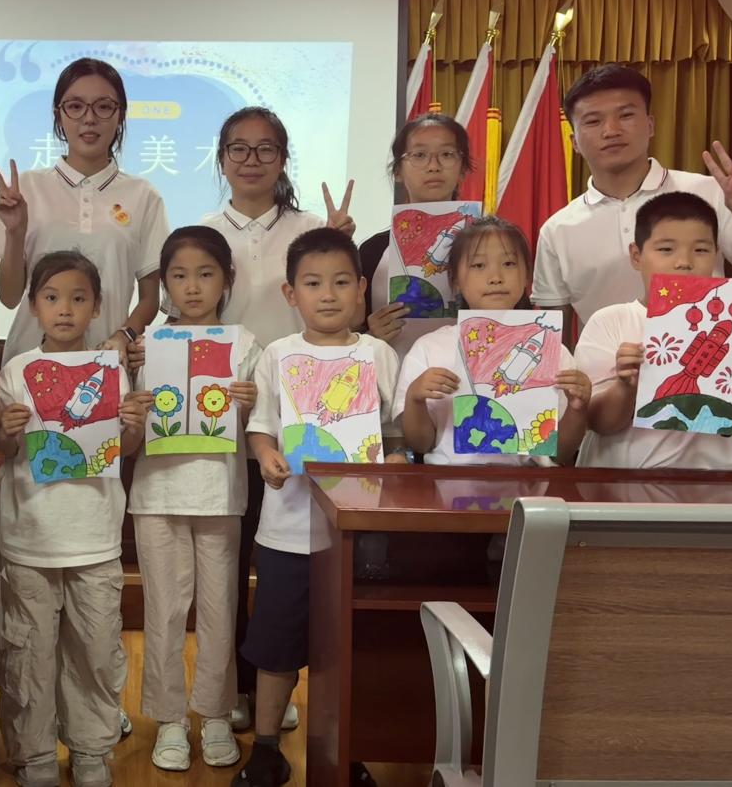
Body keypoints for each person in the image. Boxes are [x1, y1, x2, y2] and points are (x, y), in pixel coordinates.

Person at [196, 106, 354, 732]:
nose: (252, 160)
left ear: (283, 158)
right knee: (233, 563)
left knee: (299, 564)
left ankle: (285, 687)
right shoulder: (204, 232)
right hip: (223, 418)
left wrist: (340, 239)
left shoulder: (313, 229)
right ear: (221, 158)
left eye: (266, 149)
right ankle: (241, 689)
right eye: (238, 148)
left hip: (304, 425)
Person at [237, 228, 407, 787]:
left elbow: (396, 432)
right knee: (275, 644)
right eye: (313, 284)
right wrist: (265, 456)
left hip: (358, 530)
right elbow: (261, 428)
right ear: (291, 293)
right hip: (287, 530)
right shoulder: (278, 355)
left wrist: (398, 458)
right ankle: (265, 748)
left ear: (361, 288)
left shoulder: (378, 354)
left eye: (340, 282)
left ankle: (348, 750)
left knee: (352, 647)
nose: (328, 295)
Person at [0, 250, 148, 787]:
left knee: (96, 649)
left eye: (78, 299)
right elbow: (2, 451)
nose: (65, 309)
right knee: (28, 653)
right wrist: (6, 430)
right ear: (34, 306)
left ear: (97, 307)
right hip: (29, 538)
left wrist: (134, 425)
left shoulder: (111, 371)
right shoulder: (17, 370)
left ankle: (90, 750)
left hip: (95, 538)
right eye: (52, 298)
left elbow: (127, 448)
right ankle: (34, 755)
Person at [125, 227, 260, 772]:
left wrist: (248, 404)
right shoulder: (145, 346)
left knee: (220, 608)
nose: (193, 286)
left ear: (227, 279)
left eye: (206, 274)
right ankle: (170, 719)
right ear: (164, 283)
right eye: (179, 276)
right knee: (163, 609)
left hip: (220, 492)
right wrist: (133, 407)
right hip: (157, 492)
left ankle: (216, 713)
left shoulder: (245, 343)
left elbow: (259, 427)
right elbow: (125, 430)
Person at [533, 64, 732, 327]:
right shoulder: (557, 230)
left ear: (650, 125)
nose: (611, 130)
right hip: (605, 354)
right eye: (593, 121)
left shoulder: (710, 193)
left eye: (626, 115)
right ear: (574, 142)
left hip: (700, 350)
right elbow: (553, 334)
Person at [0, 58, 170, 366]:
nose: (89, 118)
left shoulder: (143, 196)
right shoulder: (27, 188)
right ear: (58, 115)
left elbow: (151, 298)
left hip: (106, 365)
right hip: (29, 367)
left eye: (104, 107)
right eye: (75, 106)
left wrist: (124, 336)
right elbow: (8, 296)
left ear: (121, 115)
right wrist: (15, 233)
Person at [576, 191, 732, 469]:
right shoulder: (611, 322)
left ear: (716, 254)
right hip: (617, 482)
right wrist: (626, 386)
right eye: (665, 249)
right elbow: (597, 422)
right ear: (636, 256)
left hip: (711, 484)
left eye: (700, 250)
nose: (684, 262)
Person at [395, 216, 591, 466]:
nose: (496, 277)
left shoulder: (554, 352)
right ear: (455, 280)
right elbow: (420, 444)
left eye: (509, 263)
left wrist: (577, 409)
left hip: (529, 482)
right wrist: (415, 397)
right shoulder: (429, 348)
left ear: (527, 276)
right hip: (448, 481)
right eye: (478, 265)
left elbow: (560, 454)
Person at [360, 113, 474, 357]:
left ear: (463, 169)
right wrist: (369, 336)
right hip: (392, 376)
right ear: (397, 171)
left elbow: (515, 314)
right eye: (419, 155)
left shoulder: (490, 245)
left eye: (447, 154)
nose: (433, 166)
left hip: (465, 377)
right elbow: (343, 334)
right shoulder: (371, 251)